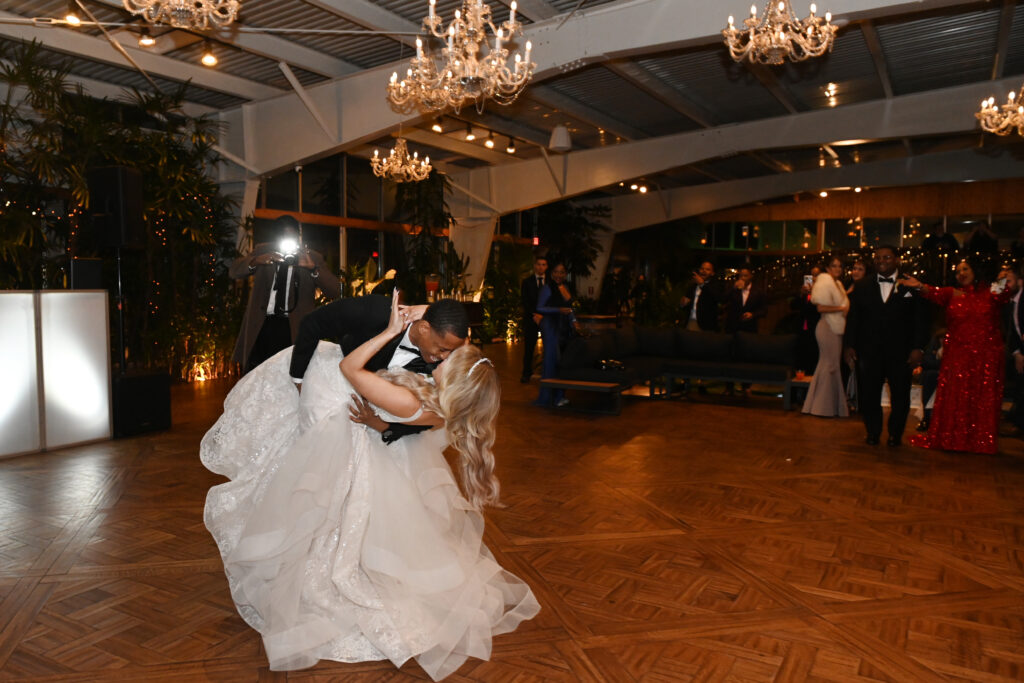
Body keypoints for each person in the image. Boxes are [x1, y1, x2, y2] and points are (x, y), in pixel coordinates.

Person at [201, 294, 540, 679]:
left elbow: (351, 368)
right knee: (341, 489)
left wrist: (393, 332)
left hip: (351, 393)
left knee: (327, 488)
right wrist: (380, 421)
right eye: (444, 352)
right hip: (355, 403)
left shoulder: (414, 396)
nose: (442, 358)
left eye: (448, 358)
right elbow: (445, 363)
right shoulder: (441, 400)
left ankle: (315, 559)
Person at [289, 296, 470, 443]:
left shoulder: (441, 366)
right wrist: (299, 380)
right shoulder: (376, 312)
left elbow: (427, 418)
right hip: (329, 388)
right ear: (424, 328)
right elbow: (312, 323)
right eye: (442, 349)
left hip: (370, 431)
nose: (445, 357)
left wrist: (378, 424)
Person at [902, 259, 1010, 454]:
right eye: (958, 270)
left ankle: (979, 440)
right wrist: (918, 285)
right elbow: (931, 292)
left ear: (976, 271)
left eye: (965, 269)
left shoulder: (991, 292)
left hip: (985, 356)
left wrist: (1004, 277)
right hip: (957, 355)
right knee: (956, 396)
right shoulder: (952, 293)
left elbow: (1005, 293)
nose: (961, 273)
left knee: (981, 396)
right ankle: (953, 439)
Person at [844, 246, 930, 447]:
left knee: (900, 395)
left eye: (887, 257)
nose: (881, 261)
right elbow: (854, 318)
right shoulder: (862, 285)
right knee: (869, 394)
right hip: (869, 350)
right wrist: (849, 345)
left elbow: (921, 319)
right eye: (878, 258)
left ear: (897, 260)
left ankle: (895, 434)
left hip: (901, 351)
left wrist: (918, 347)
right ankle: (872, 432)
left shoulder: (910, 284)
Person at [230, 216, 340, 373]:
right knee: (258, 375)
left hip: (294, 327)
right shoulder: (264, 251)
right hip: (263, 325)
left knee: (289, 376)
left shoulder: (311, 257)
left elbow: (335, 291)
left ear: (299, 236)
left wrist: (313, 269)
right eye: (283, 236)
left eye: (292, 236)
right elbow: (234, 271)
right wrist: (256, 261)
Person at [802, 257, 850, 417]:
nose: (837, 269)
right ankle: (822, 407)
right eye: (834, 266)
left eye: (840, 266)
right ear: (828, 268)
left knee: (832, 365)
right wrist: (841, 308)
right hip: (827, 326)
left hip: (836, 327)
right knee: (828, 365)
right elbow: (821, 308)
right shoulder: (824, 282)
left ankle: (828, 406)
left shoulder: (838, 284)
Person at [535, 262, 577, 407]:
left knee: (562, 362)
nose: (559, 275)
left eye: (562, 272)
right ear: (552, 273)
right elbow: (540, 307)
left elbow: (569, 308)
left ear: (565, 274)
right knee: (551, 359)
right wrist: (558, 310)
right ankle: (547, 397)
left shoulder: (565, 288)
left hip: (563, 326)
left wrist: (574, 321)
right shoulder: (547, 288)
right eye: (556, 272)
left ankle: (559, 396)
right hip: (550, 326)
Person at [724, 267, 766, 397]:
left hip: (749, 328)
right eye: (740, 275)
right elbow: (723, 299)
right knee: (731, 356)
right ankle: (729, 386)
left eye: (745, 275)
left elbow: (764, 310)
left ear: (751, 276)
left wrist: (753, 314)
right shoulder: (734, 289)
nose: (742, 278)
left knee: (747, 357)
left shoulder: (758, 291)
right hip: (733, 327)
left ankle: (746, 386)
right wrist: (733, 288)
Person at [519, 254, 547, 383]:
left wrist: (544, 315)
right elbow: (525, 301)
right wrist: (534, 314)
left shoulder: (550, 282)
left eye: (543, 265)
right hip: (531, 319)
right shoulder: (527, 282)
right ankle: (526, 373)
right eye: (539, 264)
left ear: (546, 267)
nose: (541, 267)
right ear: (535, 266)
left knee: (548, 347)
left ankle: (547, 373)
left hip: (546, 319)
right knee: (529, 348)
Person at [1003, 266, 1024, 436]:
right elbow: (1011, 333)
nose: (1005, 285)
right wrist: (1017, 353)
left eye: (1008, 281)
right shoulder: (1010, 303)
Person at [679, 261, 723, 332]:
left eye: (707, 269)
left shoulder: (716, 285)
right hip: (691, 322)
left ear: (712, 273)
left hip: (707, 325)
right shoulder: (693, 285)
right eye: (702, 268)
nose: (704, 271)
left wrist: (702, 284)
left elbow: (717, 298)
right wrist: (683, 304)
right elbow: (686, 302)